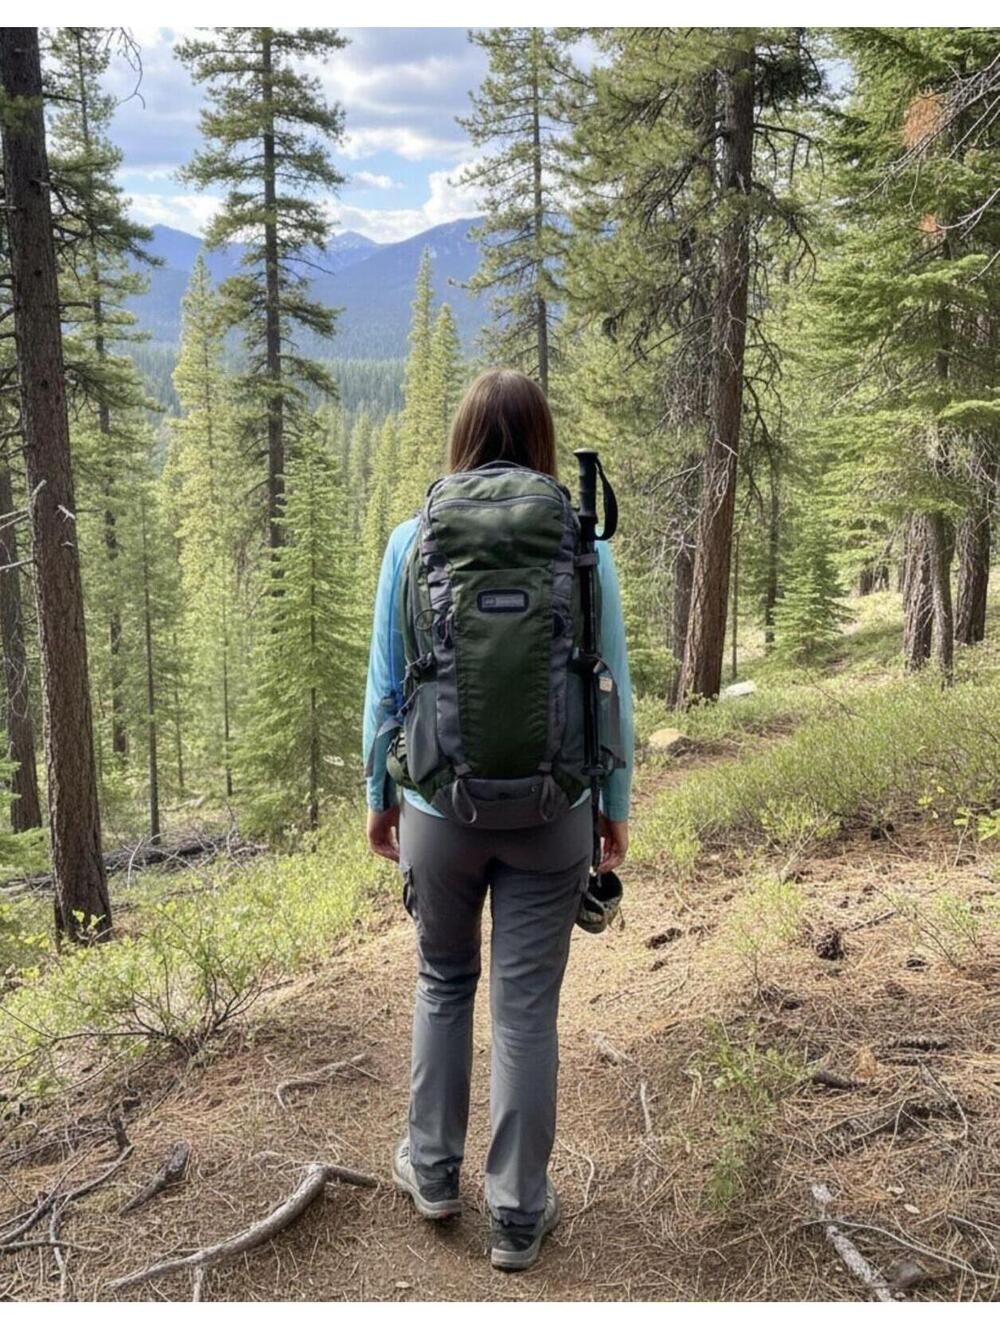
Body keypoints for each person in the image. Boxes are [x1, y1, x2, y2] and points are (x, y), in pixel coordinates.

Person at [363, 368, 633, 1272]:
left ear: (464, 437)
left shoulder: (414, 539)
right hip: (556, 809)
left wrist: (381, 796)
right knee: (526, 1011)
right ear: (544, 442)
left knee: (443, 980)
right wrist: (614, 808)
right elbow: (609, 689)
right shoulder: (582, 545)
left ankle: (433, 1173)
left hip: (439, 804)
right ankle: (518, 1213)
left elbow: (388, 687)